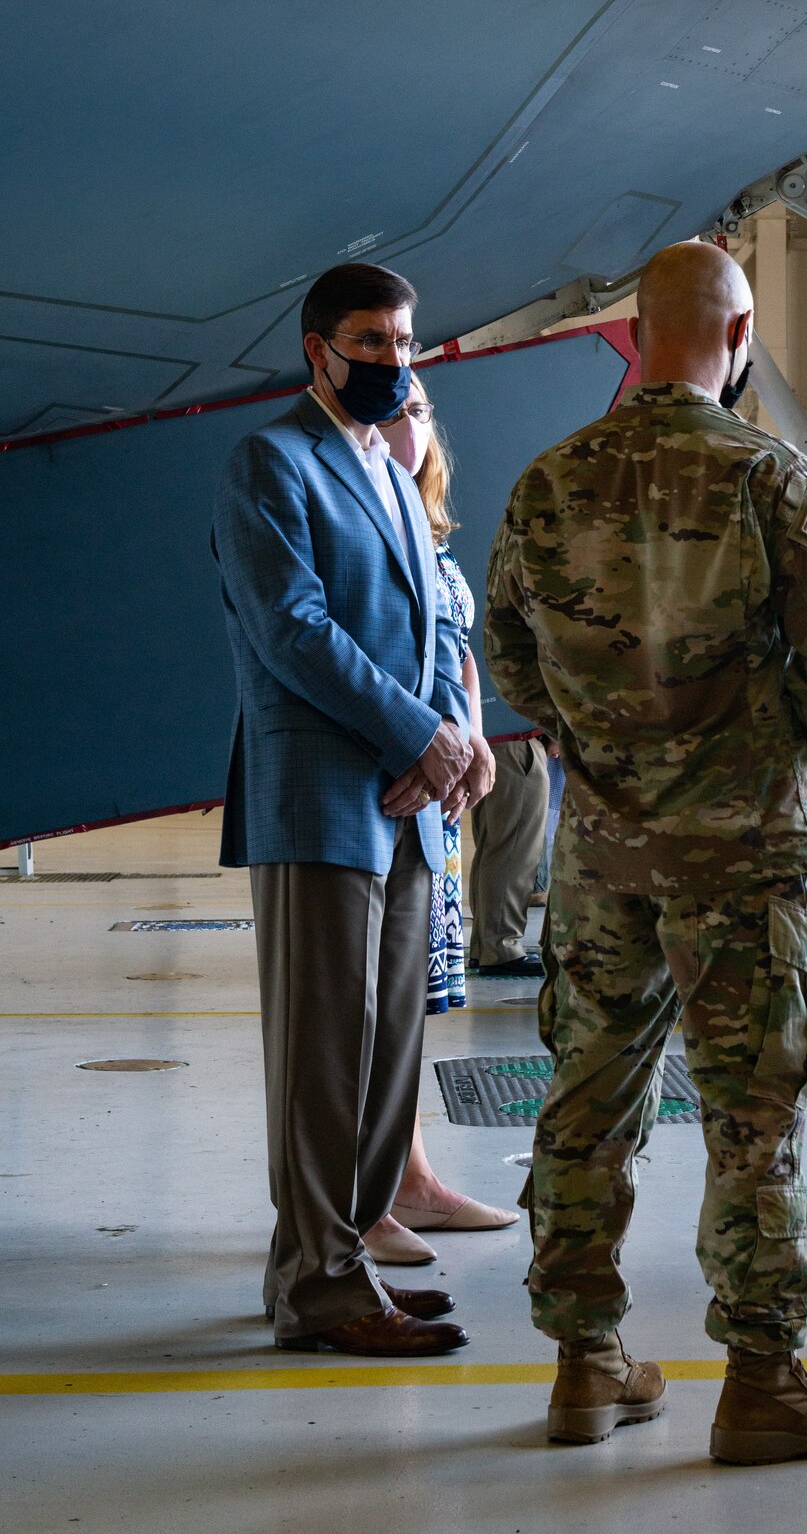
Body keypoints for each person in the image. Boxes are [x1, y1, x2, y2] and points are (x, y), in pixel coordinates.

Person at [484, 240, 807, 1465]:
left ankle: (584, 1361)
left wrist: (589, 739)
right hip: (742, 846)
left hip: (604, 845)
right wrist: (767, 760)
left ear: (634, 332)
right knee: (751, 1113)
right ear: (739, 330)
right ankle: (762, 1377)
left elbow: (508, 649)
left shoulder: (552, 479)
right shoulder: (774, 479)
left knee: (588, 1097)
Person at [213, 262, 485, 1356]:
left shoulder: (387, 465)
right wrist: (421, 734)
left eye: (404, 341)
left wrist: (452, 735)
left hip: (406, 800)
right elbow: (296, 629)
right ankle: (312, 1281)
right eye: (369, 340)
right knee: (324, 1049)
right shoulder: (270, 460)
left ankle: (350, 1258)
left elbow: (430, 630)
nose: (390, 359)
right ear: (316, 345)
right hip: (324, 791)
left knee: (386, 1046)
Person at [356, 375, 517, 1264]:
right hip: (384, 786)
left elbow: (456, 658)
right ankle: (363, 1196)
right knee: (366, 1005)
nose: (408, 423)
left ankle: (409, 1178)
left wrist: (477, 741)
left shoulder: (434, 543)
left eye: (420, 410)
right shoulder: (357, 522)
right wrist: (421, 745)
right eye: (392, 408)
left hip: (440, 797)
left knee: (408, 1001)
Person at [466, 734, 549, 978]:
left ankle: (486, 947)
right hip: (518, 742)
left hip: (492, 742)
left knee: (494, 849)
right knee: (516, 852)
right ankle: (502, 947)